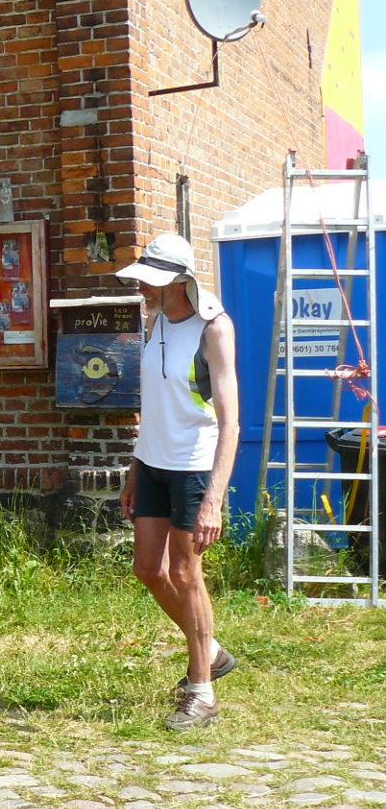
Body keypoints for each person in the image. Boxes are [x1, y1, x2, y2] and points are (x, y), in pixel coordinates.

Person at [116, 233, 238, 730]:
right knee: (149, 569)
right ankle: (208, 647)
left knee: (187, 575)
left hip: (194, 464)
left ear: (178, 281)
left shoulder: (214, 327)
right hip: (154, 463)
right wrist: (133, 469)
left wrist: (214, 499)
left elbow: (230, 420)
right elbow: (154, 407)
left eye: (150, 281)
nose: (142, 287)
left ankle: (202, 691)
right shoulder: (153, 321)